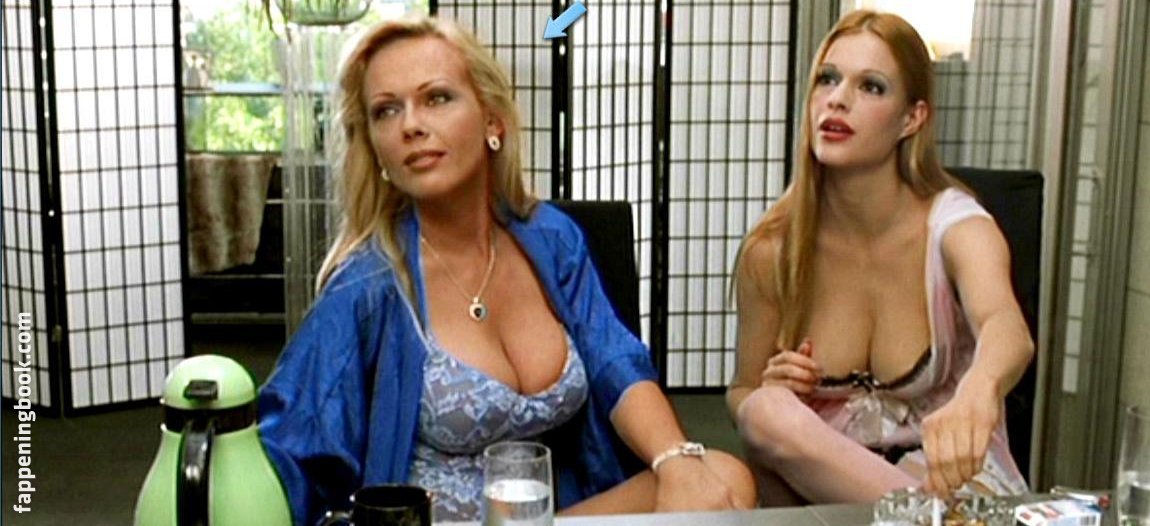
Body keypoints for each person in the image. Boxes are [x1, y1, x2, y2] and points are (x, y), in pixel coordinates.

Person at [258, 14, 754, 524]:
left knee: (721, 476)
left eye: (437, 98)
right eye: (387, 110)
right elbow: (287, 440)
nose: (410, 125)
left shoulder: (551, 238)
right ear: (375, 147)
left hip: (552, 517)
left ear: (492, 121)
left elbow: (614, 359)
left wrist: (675, 459)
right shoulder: (368, 284)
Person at [726, 10, 1034, 506]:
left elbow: (1005, 324)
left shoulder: (956, 228)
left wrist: (980, 389)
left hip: (949, 483)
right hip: (829, 489)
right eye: (827, 79)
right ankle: (927, 518)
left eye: (871, 87)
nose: (837, 99)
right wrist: (771, 386)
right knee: (765, 411)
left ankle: (930, 515)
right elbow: (741, 393)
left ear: (912, 118)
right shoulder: (772, 250)